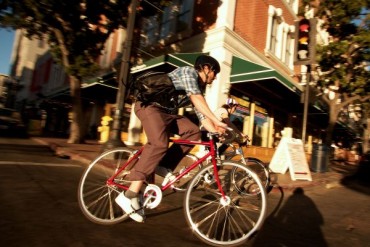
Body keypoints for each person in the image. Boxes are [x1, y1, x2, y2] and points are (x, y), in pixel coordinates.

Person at [115, 55, 227, 222]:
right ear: (206, 68)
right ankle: (129, 193)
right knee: (159, 143)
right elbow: (196, 99)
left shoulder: (198, 87)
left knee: (193, 131)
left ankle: (163, 165)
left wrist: (216, 129)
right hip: (149, 107)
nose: (215, 77)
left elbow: (202, 117)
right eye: (214, 72)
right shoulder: (189, 73)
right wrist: (217, 119)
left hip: (167, 113)